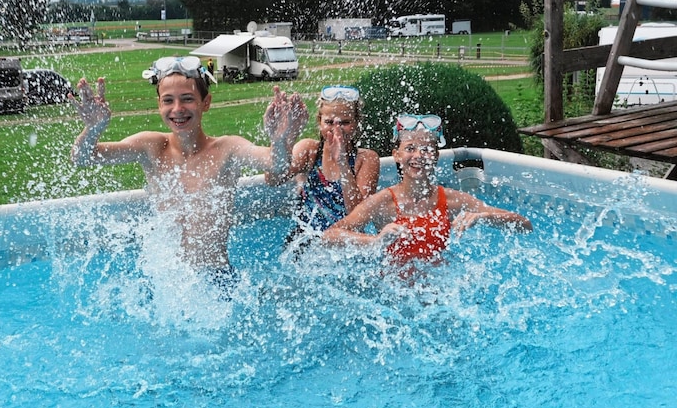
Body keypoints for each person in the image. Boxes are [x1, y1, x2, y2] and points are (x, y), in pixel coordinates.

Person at [70, 55, 309, 280]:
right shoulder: (151, 147)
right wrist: (92, 129)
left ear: (205, 103)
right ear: (159, 105)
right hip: (166, 279)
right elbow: (83, 158)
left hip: (216, 277)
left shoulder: (227, 149)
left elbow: (276, 164)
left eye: (187, 99)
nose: (177, 109)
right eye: (168, 100)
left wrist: (279, 140)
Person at [323, 114, 532, 278]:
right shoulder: (383, 202)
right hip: (393, 292)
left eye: (426, 149)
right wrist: (376, 241)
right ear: (397, 155)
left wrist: (484, 216)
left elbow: (524, 225)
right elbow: (329, 236)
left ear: (436, 156)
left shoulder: (451, 200)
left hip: (439, 288)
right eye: (410, 148)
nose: (418, 156)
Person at [265, 85, 380, 247]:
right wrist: (282, 139)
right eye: (329, 122)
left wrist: (342, 163)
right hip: (305, 246)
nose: (336, 129)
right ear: (320, 121)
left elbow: (358, 218)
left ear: (356, 123)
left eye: (345, 122)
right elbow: (272, 179)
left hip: (346, 247)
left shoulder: (366, 159)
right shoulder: (310, 151)